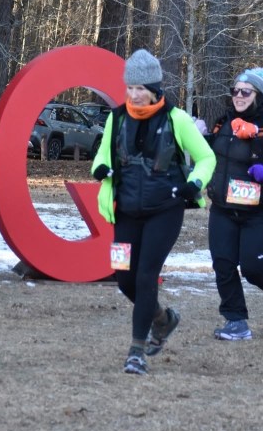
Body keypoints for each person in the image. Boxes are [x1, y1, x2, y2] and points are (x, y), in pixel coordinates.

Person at [91, 49, 216, 375]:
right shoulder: (116, 118)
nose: (134, 95)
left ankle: (136, 352)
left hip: (166, 209)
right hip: (127, 211)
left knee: (146, 276)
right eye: (130, 88)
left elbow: (206, 158)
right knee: (123, 280)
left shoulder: (176, 119)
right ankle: (163, 319)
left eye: (140, 88)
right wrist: (101, 169)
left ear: (155, 88)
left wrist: (194, 183)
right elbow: (102, 154)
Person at [205, 67, 263, 340]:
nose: (239, 96)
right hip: (223, 209)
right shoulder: (222, 123)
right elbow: (209, 154)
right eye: (235, 91)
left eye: (246, 91)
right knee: (223, 265)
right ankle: (236, 322)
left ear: (259, 96)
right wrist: (200, 137)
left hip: (261, 213)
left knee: (252, 267)